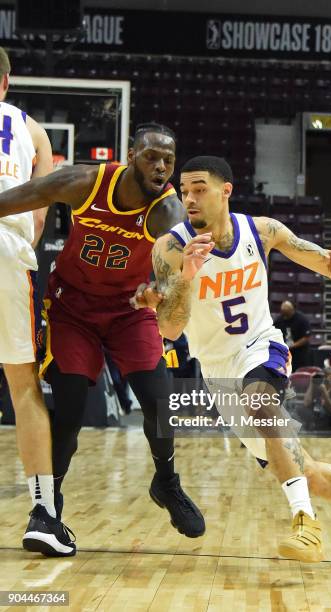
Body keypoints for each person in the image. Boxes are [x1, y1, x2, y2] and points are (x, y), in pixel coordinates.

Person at [141, 155, 331, 565]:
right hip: (217, 371)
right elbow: (170, 330)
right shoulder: (170, 248)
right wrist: (187, 275)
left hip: (262, 347)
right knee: (310, 473)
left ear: (225, 191)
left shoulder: (262, 231)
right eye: (185, 190)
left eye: (199, 189)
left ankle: (305, 523)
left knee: (260, 400)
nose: (189, 198)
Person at [0, 123, 205, 546]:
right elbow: (15, 200)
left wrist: (161, 291)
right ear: (132, 155)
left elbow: (170, 288)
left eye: (168, 159)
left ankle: (166, 482)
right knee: (71, 413)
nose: (162, 167)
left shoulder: (168, 212)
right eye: (152, 156)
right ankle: (48, 510)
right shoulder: (83, 183)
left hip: (129, 311)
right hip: (72, 307)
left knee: (159, 401)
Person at [0, 47, 76, 556]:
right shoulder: (33, 132)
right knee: (23, 382)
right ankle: (44, 515)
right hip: (7, 243)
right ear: (6, 82)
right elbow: (41, 212)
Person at [299, 368, 331, 434]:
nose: (328, 381)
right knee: (301, 409)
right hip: (316, 424)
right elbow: (306, 404)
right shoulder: (316, 390)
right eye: (324, 379)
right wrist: (311, 383)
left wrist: (324, 392)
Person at [274, 301, 311, 371]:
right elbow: (273, 333)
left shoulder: (302, 319)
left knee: (299, 373)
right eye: (283, 314)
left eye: (287, 314)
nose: (285, 317)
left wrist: (292, 345)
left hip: (300, 353)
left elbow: (306, 338)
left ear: (292, 310)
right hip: (284, 353)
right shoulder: (279, 320)